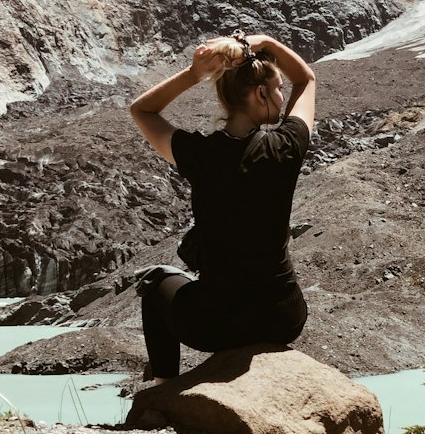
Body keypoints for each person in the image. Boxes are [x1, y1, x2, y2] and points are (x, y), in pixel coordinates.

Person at [128, 31, 316, 378]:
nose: (281, 95)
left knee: (155, 283)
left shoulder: (199, 155)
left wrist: (194, 74)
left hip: (215, 326)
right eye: (277, 89)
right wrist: (268, 44)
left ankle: (163, 386)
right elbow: (305, 79)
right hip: (283, 318)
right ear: (260, 93)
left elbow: (142, 109)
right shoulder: (285, 147)